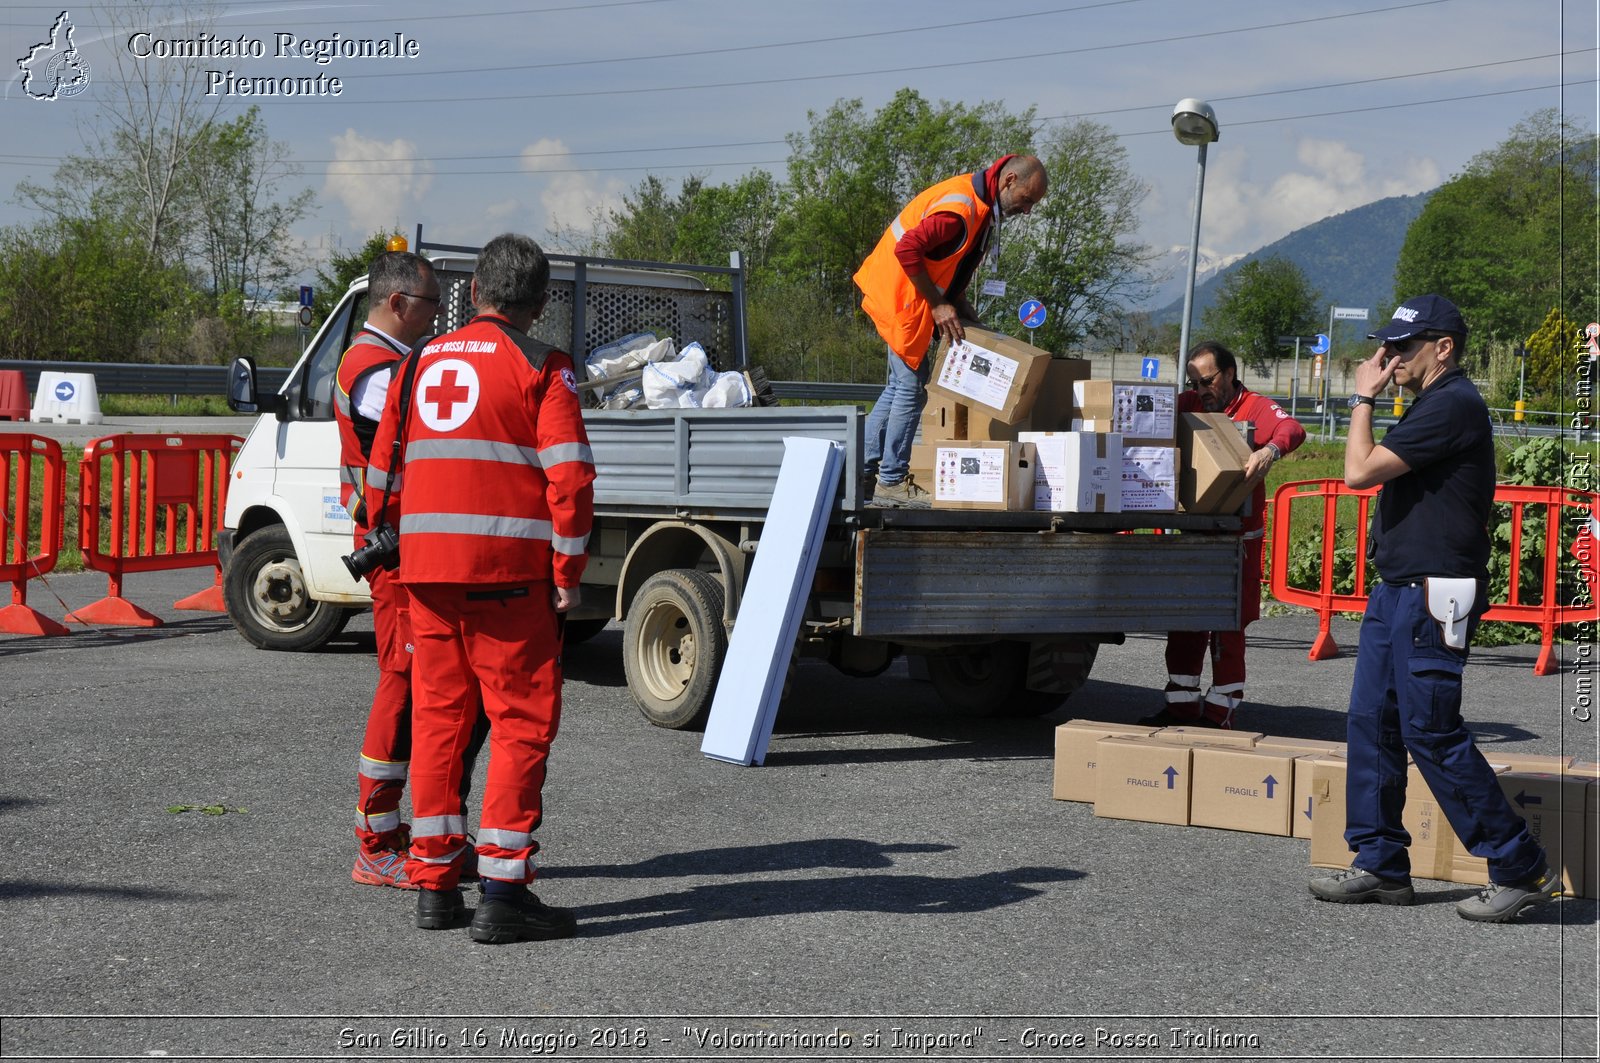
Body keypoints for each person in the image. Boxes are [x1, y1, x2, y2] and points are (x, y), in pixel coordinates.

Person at [366, 233, 596, 943]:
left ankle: (434, 884)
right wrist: (568, 575)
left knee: (439, 723)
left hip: (425, 579)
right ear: (540, 303)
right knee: (520, 725)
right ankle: (502, 890)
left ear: (472, 294)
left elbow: (383, 473)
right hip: (508, 582)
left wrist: (387, 546)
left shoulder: (417, 364)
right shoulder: (543, 367)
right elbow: (571, 478)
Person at [1308, 294, 1558, 922]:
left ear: (1443, 348)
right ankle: (1381, 863)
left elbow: (1360, 471)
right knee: (1372, 723)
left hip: (1434, 593)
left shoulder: (1454, 404)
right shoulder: (1432, 403)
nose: (1389, 357)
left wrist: (1362, 397)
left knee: (1430, 730)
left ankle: (1518, 864)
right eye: (1386, 346)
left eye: (1403, 347)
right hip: (1399, 589)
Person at [336, 250, 485, 890]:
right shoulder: (377, 371)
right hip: (394, 551)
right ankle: (376, 838)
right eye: (429, 306)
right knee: (399, 690)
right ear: (397, 303)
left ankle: (404, 832)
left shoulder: (385, 364)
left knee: (416, 687)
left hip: (406, 547)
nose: (437, 320)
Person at [853, 154, 1048, 507]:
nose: (1029, 210)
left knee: (900, 386)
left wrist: (963, 310)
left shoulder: (981, 208)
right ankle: (891, 482)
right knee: (912, 388)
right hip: (901, 297)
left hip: (903, 294)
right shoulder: (960, 212)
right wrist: (939, 304)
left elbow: (952, 267)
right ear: (1010, 181)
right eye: (1027, 199)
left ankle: (861, 473)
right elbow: (907, 249)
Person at [1142, 341, 1305, 729]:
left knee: (1228, 626)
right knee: (1185, 620)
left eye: (1208, 380)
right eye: (1195, 382)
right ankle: (1181, 706)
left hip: (1238, 540)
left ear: (1230, 373)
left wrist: (1270, 452)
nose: (1201, 389)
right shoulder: (1187, 404)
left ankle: (1221, 713)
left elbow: (1292, 429)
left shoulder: (1254, 407)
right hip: (1192, 534)